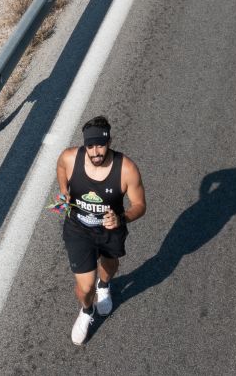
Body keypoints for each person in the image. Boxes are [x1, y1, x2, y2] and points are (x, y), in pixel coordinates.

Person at [56, 115, 146, 345]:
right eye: (90, 146)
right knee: (84, 287)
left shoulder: (126, 169)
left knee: (110, 266)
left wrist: (121, 218)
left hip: (110, 231)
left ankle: (104, 286)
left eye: (101, 145)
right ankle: (86, 311)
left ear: (109, 142)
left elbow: (140, 206)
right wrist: (64, 189)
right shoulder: (70, 158)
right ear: (84, 145)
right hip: (78, 229)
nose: (96, 152)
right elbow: (60, 167)